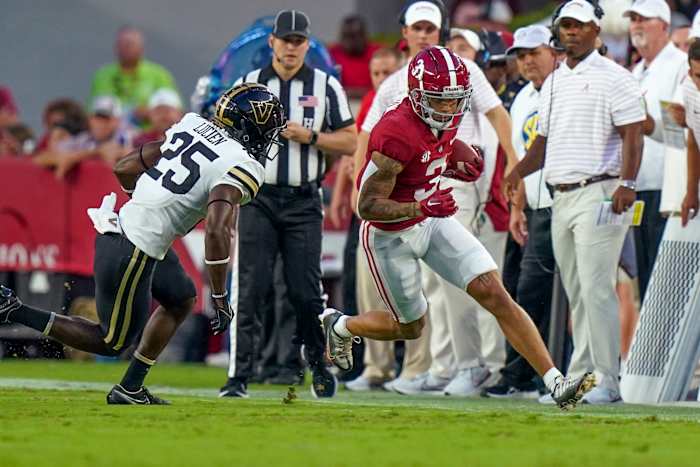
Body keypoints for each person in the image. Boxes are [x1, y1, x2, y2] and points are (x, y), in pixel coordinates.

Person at [324, 45, 594, 410]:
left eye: (455, 100)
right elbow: (367, 205)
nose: (449, 109)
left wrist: (451, 162)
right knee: (410, 327)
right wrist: (421, 203)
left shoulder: (442, 117)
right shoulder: (394, 131)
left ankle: (555, 381)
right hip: (391, 235)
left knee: (495, 293)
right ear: (418, 95)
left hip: (431, 220)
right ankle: (341, 326)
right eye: (440, 100)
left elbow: (431, 154)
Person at [0, 83, 286, 404]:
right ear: (249, 129)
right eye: (267, 129)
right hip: (134, 247)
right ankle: (12, 309)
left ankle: (131, 387)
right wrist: (219, 294)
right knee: (111, 340)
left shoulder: (194, 124)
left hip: (126, 228)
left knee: (180, 298)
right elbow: (218, 230)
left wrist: (144, 202)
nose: (271, 137)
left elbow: (125, 167)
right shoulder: (244, 165)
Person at [504, 0, 645, 404]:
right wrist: (518, 172)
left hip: (601, 190)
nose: (571, 32)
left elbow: (633, 133)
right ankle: (583, 378)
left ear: (595, 30)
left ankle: (607, 381)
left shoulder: (615, 76)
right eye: (565, 25)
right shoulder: (554, 81)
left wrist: (628, 183)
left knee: (597, 288)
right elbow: (543, 142)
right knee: (577, 288)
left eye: (579, 26)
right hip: (560, 194)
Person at [219, 10, 357, 399]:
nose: (292, 47)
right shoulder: (249, 83)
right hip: (258, 198)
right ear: (272, 42)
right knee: (250, 288)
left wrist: (310, 136)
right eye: (286, 40)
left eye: (299, 41)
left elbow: (350, 140)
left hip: (302, 200)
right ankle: (238, 375)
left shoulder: (325, 84)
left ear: (307, 44)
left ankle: (317, 367)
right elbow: (225, 134)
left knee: (305, 291)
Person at [483, 25, 559, 399]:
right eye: (522, 55)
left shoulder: (564, 89)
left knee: (550, 293)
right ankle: (522, 375)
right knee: (521, 289)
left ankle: (536, 374)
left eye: (535, 52)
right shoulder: (524, 98)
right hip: (535, 205)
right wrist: (517, 206)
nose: (528, 60)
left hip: (565, 200)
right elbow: (518, 153)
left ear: (553, 52)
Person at [329, 47, 402, 391]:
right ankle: (376, 365)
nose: (382, 78)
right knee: (366, 286)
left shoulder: (408, 101)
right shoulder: (373, 102)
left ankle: (411, 366)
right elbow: (353, 155)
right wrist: (345, 194)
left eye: (388, 71)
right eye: (376, 73)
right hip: (370, 207)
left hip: (401, 207)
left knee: (408, 288)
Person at [624, 0, 688, 305]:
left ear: (664, 25)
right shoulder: (636, 71)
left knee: (666, 283)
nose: (635, 24)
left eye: (643, 19)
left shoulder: (681, 66)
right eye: (632, 19)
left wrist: (648, 125)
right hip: (637, 188)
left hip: (667, 189)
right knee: (645, 281)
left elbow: (682, 131)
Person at [90, 26, 178, 127]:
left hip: (152, 137)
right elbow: (94, 113)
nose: (126, 48)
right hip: (114, 136)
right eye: (122, 44)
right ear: (115, 48)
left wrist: (150, 112)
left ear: (142, 48)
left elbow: (175, 113)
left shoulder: (159, 74)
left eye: (130, 44)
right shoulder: (103, 75)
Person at [329, 15, 382, 98]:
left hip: (372, 102)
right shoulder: (332, 54)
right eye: (346, 36)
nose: (349, 41)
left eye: (354, 36)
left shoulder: (378, 53)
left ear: (364, 36)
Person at [681, 40, 700, 227]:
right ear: (690, 74)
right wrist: (691, 191)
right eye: (699, 76)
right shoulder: (688, 88)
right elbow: (694, 139)